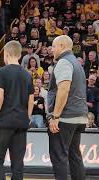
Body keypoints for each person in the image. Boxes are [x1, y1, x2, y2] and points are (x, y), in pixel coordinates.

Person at [0, 40, 34, 180]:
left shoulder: (1, 72)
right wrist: (27, 117)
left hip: (4, 122)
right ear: (20, 55)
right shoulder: (27, 74)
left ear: (6, 54)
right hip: (21, 123)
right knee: (18, 163)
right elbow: (31, 99)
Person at [47, 35, 88, 180]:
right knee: (74, 155)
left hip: (65, 116)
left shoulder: (64, 62)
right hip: (79, 115)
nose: (52, 49)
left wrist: (55, 116)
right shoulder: (77, 63)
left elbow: (64, 89)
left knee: (59, 156)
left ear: (62, 46)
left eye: (53, 46)